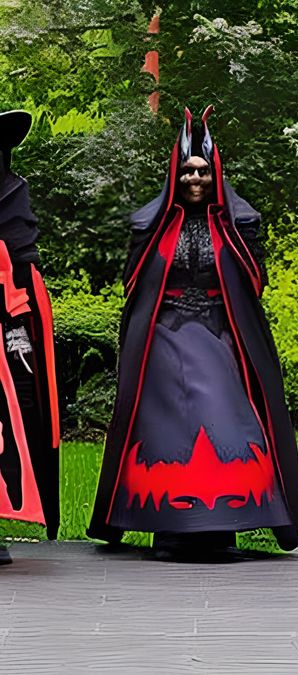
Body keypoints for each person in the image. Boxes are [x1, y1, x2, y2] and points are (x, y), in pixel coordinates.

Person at [88, 106, 298, 560]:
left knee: (228, 420)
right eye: (187, 171)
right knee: (165, 429)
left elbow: (254, 284)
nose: (194, 179)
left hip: (219, 334)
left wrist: (239, 239)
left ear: (215, 174)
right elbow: (135, 284)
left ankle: (223, 525)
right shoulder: (149, 225)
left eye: (203, 172)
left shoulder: (239, 224)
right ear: (175, 174)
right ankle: (170, 527)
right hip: (162, 336)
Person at [0, 109, 59, 566]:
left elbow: (22, 265)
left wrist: (17, 328)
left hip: (7, 322)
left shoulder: (12, 193)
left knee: (12, 419)